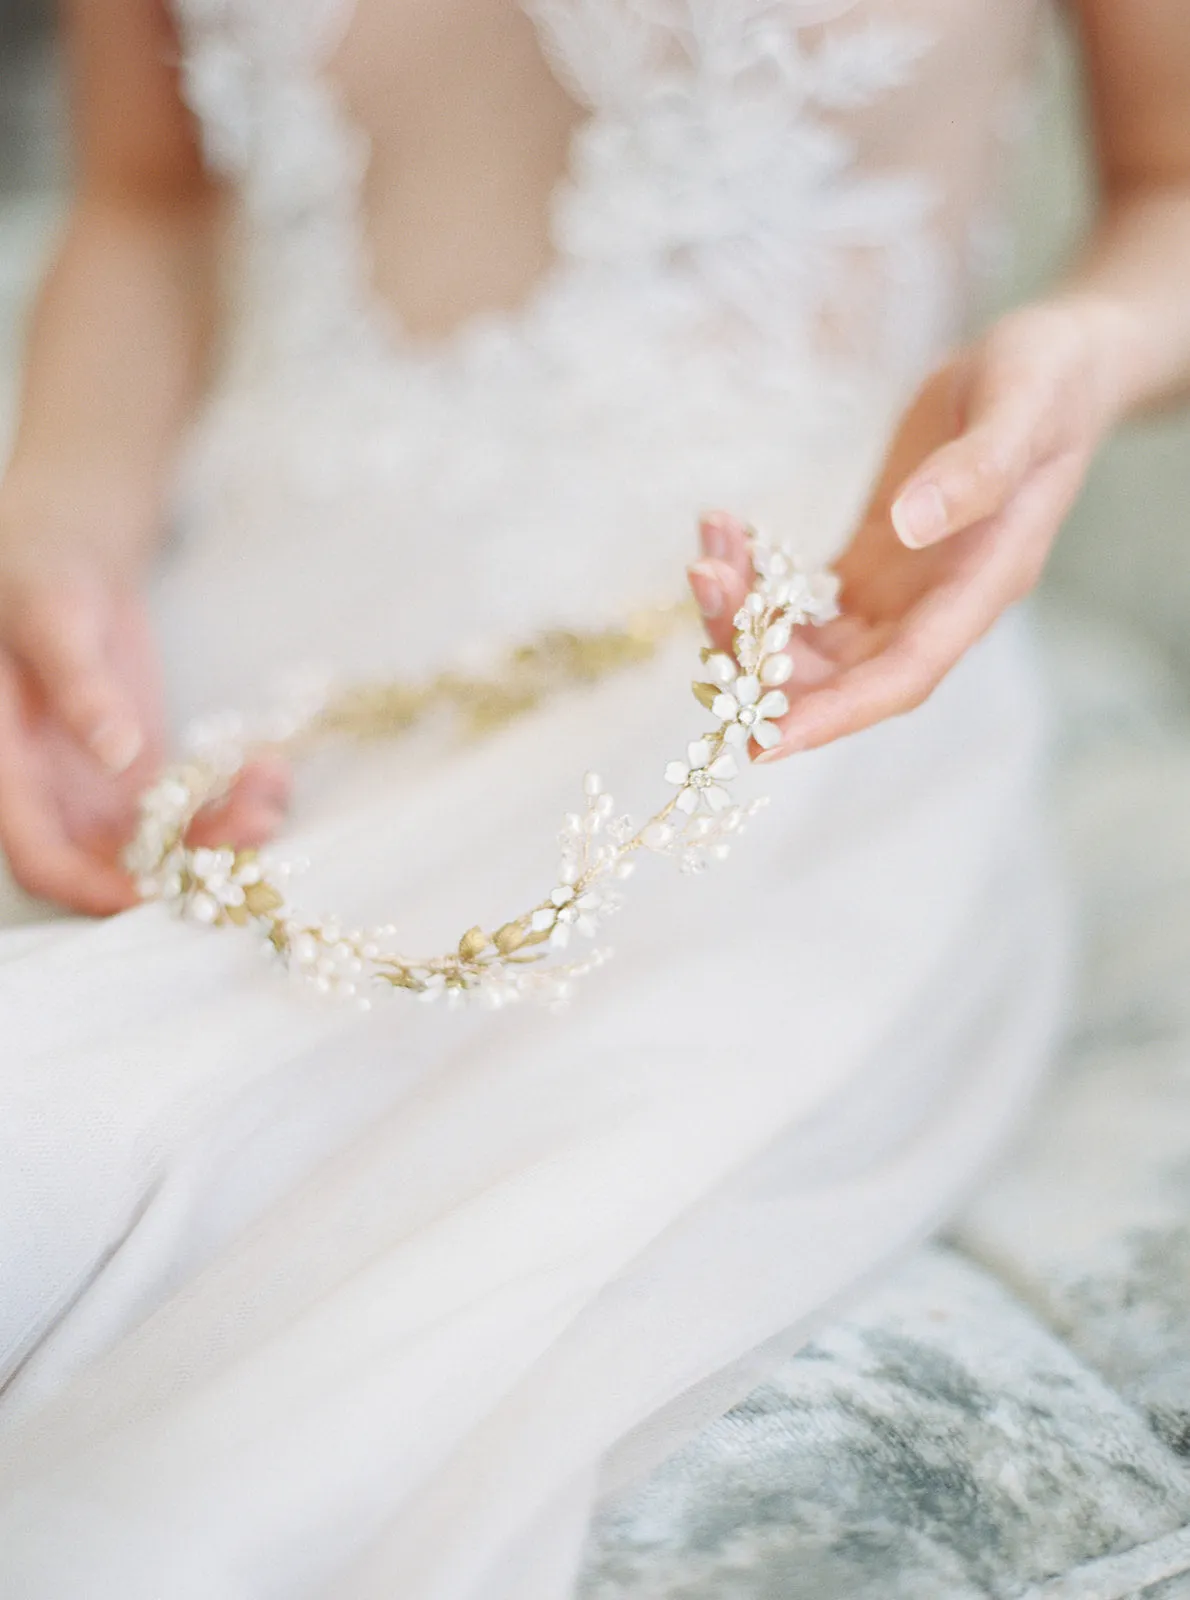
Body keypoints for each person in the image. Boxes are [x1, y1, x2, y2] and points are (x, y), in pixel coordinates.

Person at [0, 2, 1187, 1594]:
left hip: (763, 689)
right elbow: (153, 200)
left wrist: (1084, 352)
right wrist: (58, 536)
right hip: (210, 654)